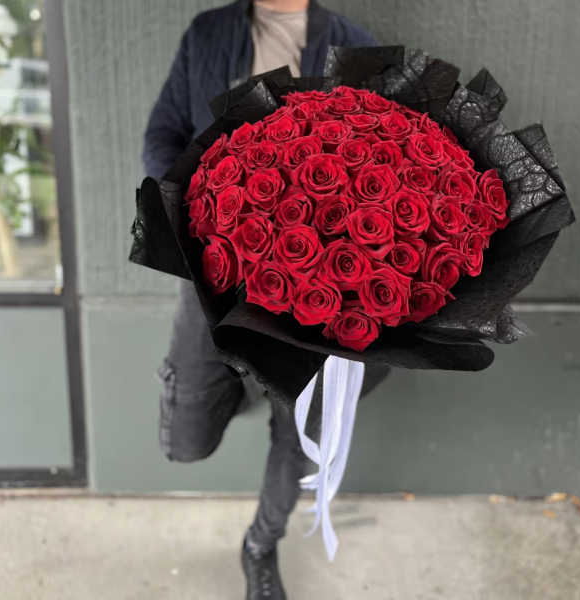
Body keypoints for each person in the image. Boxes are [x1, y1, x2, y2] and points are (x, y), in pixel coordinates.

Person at [143, 1, 378, 598]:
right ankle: (248, 382)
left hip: (316, 287)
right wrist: (189, 205)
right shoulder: (209, 33)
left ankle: (260, 543)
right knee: (187, 427)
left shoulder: (353, 42)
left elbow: (377, 159)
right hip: (213, 266)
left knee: (301, 431)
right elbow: (163, 134)